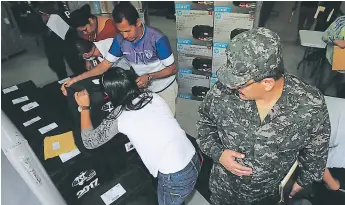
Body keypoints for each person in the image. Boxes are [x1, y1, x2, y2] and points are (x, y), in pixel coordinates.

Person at [196, 28, 331, 205]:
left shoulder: (310, 104)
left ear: (267, 83)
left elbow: (316, 149)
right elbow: (205, 124)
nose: (232, 87)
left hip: (269, 196)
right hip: (225, 191)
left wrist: (303, 181)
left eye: (240, 84)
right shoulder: (223, 92)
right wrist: (218, 153)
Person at [73, 68, 200, 205]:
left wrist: (84, 108)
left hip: (175, 174)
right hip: (193, 158)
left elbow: (90, 141)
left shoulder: (119, 116)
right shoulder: (151, 95)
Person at [62, 2, 178, 115]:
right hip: (143, 90)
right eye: (121, 32)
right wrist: (75, 79)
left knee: (166, 122)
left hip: (165, 89)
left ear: (138, 22)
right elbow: (103, 66)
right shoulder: (119, 40)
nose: (125, 36)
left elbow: (172, 69)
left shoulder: (157, 39)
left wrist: (149, 76)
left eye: (128, 30)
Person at [33, 2, 85, 79]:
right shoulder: (38, 11)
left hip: (68, 39)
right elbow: (37, 30)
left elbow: (72, 22)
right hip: (52, 42)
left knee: (76, 65)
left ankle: (83, 79)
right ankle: (64, 82)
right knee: (59, 67)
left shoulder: (60, 6)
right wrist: (45, 22)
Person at [69, 4, 119, 70]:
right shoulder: (88, 32)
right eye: (82, 31)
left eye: (85, 30)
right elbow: (88, 48)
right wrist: (88, 60)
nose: (84, 33)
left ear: (90, 20)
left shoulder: (111, 28)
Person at [320, 15, 345, 96]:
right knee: (323, 85)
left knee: (342, 91)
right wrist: (336, 41)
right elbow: (325, 37)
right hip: (332, 61)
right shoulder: (340, 22)